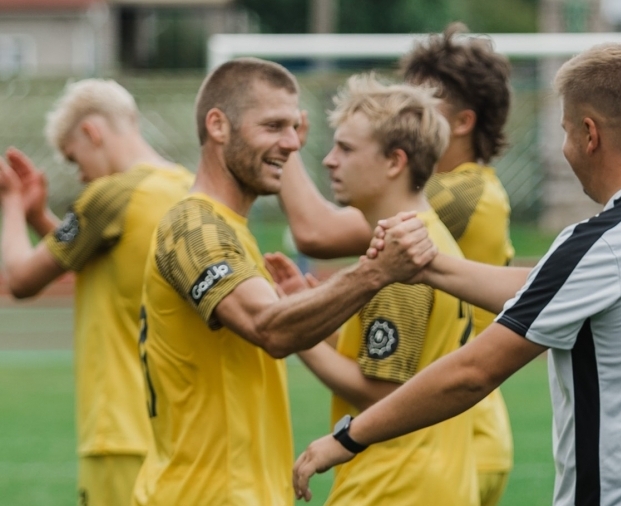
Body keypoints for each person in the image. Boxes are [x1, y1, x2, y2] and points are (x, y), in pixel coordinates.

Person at [293, 43, 621, 506]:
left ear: (590, 134)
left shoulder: (606, 241)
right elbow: (554, 288)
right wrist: (433, 267)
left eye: (565, 132)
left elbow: (473, 372)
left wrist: (346, 438)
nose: (566, 148)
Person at [131, 59, 435, 506]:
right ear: (218, 125)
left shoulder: (228, 229)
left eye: (294, 127)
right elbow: (268, 327)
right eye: (274, 126)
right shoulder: (192, 224)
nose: (292, 144)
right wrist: (375, 272)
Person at [278, 24, 515, 505]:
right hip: (440, 469)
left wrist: (296, 333)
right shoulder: (426, 237)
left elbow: (383, 391)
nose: (329, 161)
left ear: (395, 161)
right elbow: (399, 355)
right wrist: (319, 314)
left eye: (345, 148)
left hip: (394, 482)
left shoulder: (403, 252)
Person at [0, 79, 194, 506]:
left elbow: (20, 279)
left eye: (74, 158)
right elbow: (99, 262)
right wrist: (38, 215)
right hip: (179, 432)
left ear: (92, 132)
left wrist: (12, 203)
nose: (80, 174)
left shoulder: (110, 194)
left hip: (119, 430)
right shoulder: (187, 188)